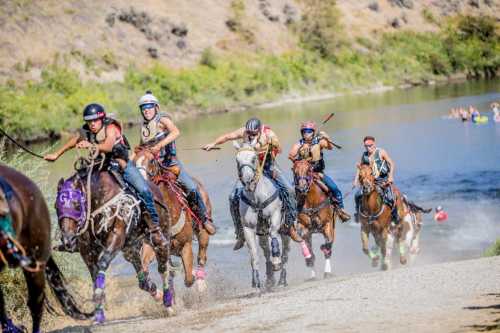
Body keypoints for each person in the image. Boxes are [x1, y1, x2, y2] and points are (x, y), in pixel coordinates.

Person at [44, 103, 168, 247]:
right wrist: (56, 154)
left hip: (121, 166)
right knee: (76, 190)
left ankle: (155, 230)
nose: (92, 124)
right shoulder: (87, 131)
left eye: (95, 121)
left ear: (102, 119)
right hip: (100, 166)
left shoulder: (111, 128)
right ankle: (73, 233)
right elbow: (74, 141)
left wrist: (91, 146)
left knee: (145, 191)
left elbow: (108, 146)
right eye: (89, 122)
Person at [203, 118, 295, 250]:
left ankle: (289, 226)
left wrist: (272, 145)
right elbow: (228, 136)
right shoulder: (244, 132)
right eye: (249, 132)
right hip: (249, 171)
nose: (250, 135)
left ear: (259, 130)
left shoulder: (269, 134)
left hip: (268, 167)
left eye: (253, 133)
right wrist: (213, 143)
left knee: (290, 190)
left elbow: (279, 149)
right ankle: (240, 234)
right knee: (232, 197)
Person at [136, 91, 216, 235]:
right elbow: (142, 147)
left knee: (191, 187)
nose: (146, 110)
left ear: (156, 107)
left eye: (149, 106)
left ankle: (204, 219)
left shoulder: (163, 120)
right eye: (143, 107)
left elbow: (175, 132)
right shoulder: (143, 126)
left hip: (170, 165)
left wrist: (160, 145)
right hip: (153, 167)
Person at [288, 121, 351, 222]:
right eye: (304, 132)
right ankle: (290, 216)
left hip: (318, 173)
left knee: (334, 188)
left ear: (313, 132)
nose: (306, 134)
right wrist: (300, 162)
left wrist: (327, 138)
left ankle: (340, 210)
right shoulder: (299, 144)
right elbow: (291, 155)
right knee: (290, 192)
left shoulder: (319, 142)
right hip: (303, 175)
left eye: (308, 131)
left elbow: (330, 147)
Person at [353, 136, 401, 224]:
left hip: (383, 180)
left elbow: (392, 163)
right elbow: (359, 168)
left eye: (370, 145)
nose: (368, 148)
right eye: (366, 146)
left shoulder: (381, 152)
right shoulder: (364, 155)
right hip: (370, 181)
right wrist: (355, 180)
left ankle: (395, 215)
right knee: (357, 195)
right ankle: (357, 213)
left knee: (392, 196)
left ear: (374, 144)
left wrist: (390, 176)